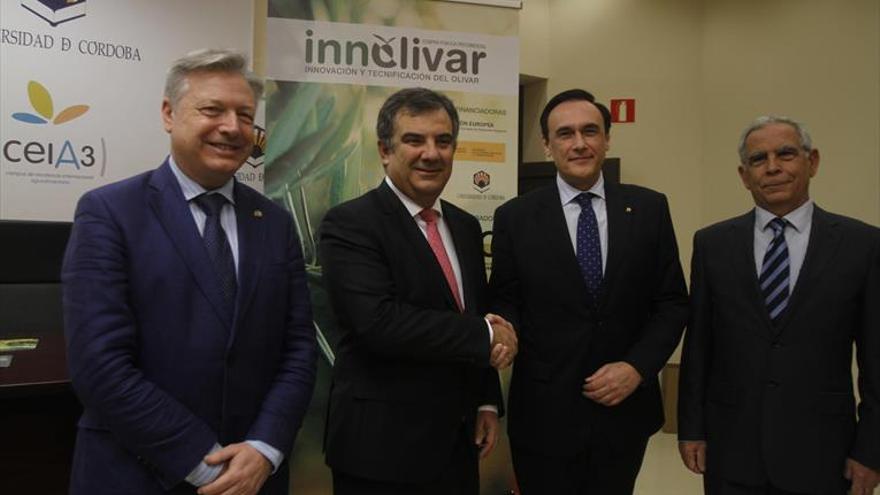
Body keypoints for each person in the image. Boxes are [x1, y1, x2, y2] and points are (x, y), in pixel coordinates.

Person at [62, 49, 317, 495]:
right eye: (212, 110)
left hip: (255, 476)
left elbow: (298, 348)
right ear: (169, 113)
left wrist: (265, 448)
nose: (232, 127)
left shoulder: (274, 223)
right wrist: (205, 464)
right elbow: (99, 364)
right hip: (138, 474)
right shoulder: (110, 212)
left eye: (245, 115)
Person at [489, 89, 689, 494]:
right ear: (547, 145)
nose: (579, 143)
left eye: (590, 131)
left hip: (624, 411)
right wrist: (504, 329)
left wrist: (637, 367)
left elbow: (671, 302)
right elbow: (506, 298)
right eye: (565, 134)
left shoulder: (649, 209)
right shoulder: (515, 217)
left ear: (607, 139)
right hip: (544, 414)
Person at [318, 87, 516, 495]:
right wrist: (487, 334)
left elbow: (472, 312)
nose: (431, 153)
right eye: (414, 140)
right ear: (384, 150)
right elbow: (379, 324)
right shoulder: (350, 224)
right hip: (380, 454)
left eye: (443, 141)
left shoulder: (465, 226)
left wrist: (485, 400)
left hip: (457, 445)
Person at [678, 116, 880, 495]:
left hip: (824, 453)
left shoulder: (862, 246)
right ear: (744, 175)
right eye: (758, 159)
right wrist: (691, 428)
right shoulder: (712, 245)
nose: (772, 167)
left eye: (786, 154)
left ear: (812, 161)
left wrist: (871, 449)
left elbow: (876, 360)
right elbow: (699, 347)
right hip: (732, 451)